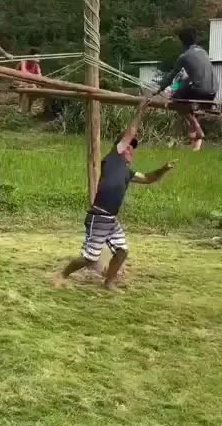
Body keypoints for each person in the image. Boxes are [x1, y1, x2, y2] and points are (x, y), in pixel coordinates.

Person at [56, 99, 174, 290]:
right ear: (120, 146)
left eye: (132, 148)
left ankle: (108, 283)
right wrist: (139, 111)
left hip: (110, 219)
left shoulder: (127, 172)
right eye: (128, 146)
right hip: (99, 215)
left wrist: (164, 169)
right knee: (89, 258)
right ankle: (61, 275)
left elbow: (148, 178)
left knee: (122, 251)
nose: (130, 149)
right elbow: (130, 133)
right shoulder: (113, 157)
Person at [155, 28, 218, 151]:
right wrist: (179, 86)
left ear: (182, 42)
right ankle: (195, 141)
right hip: (213, 91)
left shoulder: (184, 57)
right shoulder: (203, 52)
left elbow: (172, 75)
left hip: (199, 91)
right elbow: (189, 78)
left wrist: (160, 88)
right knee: (192, 108)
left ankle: (197, 129)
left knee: (175, 101)